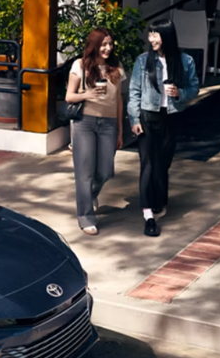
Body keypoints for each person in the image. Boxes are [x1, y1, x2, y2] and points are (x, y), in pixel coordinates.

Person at [128, 19, 200, 237]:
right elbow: (134, 92)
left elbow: (194, 87)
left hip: (171, 116)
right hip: (147, 116)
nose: (151, 40)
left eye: (155, 35)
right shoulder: (143, 61)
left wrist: (180, 94)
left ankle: (159, 198)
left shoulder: (185, 61)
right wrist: (134, 120)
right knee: (147, 165)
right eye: (149, 35)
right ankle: (148, 216)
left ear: (166, 36)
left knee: (163, 163)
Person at [66, 28, 125, 235]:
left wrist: (120, 130)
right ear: (94, 46)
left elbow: (118, 100)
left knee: (105, 170)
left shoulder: (115, 67)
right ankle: (85, 217)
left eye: (110, 44)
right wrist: (87, 94)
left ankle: (89, 195)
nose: (108, 48)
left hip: (108, 124)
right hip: (85, 123)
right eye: (103, 44)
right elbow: (69, 97)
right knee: (84, 172)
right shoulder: (80, 66)